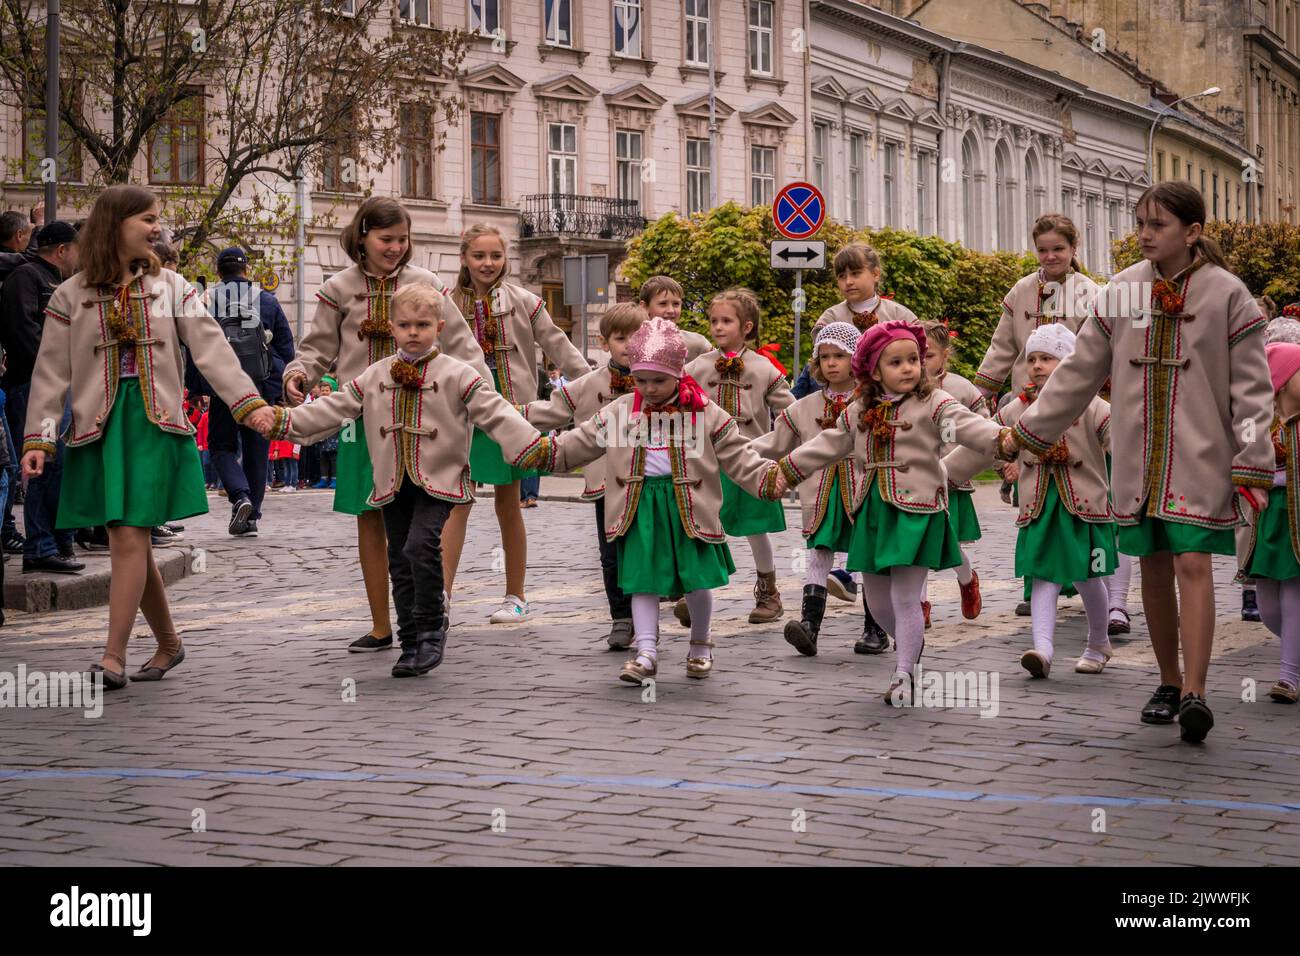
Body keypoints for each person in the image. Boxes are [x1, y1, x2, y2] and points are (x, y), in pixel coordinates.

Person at [1001, 182, 1274, 744]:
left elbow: (1253, 390)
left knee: (1193, 562)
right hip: (1136, 457)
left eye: (1159, 225)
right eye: (1141, 222)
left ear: (1192, 232)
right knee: (1151, 564)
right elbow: (1077, 375)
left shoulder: (1228, 295)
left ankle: (1196, 690)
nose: (1145, 234)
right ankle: (1168, 682)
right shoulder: (1122, 291)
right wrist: (1027, 432)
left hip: (1200, 458)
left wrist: (1252, 462)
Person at [21, 185, 275, 690]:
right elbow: (50, 373)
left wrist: (250, 405)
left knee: (128, 537)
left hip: (153, 424)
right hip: (99, 426)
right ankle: (168, 644)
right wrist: (38, 438)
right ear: (116, 225)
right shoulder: (72, 294)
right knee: (128, 538)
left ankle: (112, 656)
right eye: (148, 219)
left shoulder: (172, 287)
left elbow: (212, 350)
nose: (157, 227)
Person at [269, 283, 544, 676]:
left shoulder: (458, 373)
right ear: (392, 328)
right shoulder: (375, 374)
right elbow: (334, 408)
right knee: (399, 557)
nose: (413, 332)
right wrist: (283, 422)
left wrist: (535, 446)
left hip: (441, 480)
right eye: (404, 325)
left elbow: (496, 413)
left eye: (423, 324)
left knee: (420, 545)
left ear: (440, 327)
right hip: (393, 482)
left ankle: (433, 629)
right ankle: (410, 639)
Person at [281, 197, 489, 653]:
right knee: (369, 518)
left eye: (402, 239)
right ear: (362, 238)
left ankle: (433, 607)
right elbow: (317, 348)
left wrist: (484, 397)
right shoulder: (338, 288)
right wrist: (299, 374)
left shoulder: (427, 284)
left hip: (427, 415)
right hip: (362, 415)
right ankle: (381, 624)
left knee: (426, 513)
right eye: (385, 239)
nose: (395, 248)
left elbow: (461, 344)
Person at [523, 316, 781, 682]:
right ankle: (646, 651)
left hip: (688, 507)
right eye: (641, 380)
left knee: (695, 579)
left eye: (659, 380)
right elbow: (577, 445)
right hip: (638, 506)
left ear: (678, 375)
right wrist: (539, 451)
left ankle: (700, 643)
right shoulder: (621, 410)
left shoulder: (703, 411)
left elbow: (738, 456)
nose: (649, 388)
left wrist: (769, 478)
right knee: (642, 580)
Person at [769, 320, 1005, 706]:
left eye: (914, 359)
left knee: (906, 598)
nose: (910, 367)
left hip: (918, 512)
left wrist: (1004, 439)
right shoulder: (859, 409)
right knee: (879, 603)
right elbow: (827, 443)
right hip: (872, 512)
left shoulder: (935, 403)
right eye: (896, 362)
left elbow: (968, 426)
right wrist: (786, 469)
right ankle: (910, 647)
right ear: (873, 371)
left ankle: (905, 671)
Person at [439, 223, 589, 625]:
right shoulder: (446, 304)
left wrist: (594, 385)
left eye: (496, 256)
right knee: (457, 503)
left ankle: (516, 596)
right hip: (462, 415)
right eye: (479, 256)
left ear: (505, 259)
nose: (488, 264)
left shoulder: (525, 301)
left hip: (514, 415)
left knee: (510, 505)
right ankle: (442, 596)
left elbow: (560, 345)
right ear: (464, 258)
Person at [978, 324, 1117, 677]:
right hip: (1039, 506)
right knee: (1042, 575)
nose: (1037, 365)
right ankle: (1043, 649)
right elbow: (993, 439)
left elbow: (1120, 439)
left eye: (1048, 358)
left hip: (1082, 507)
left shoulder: (1092, 406)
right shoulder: (1017, 410)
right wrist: (1004, 464)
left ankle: (1098, 642)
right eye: (1032, 359)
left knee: (1088, 577)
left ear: (1070, 363)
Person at [519, 302, 646, 649]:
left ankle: (649, 615)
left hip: (652, 485)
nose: (628, 345)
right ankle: (621, 618)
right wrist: (506, 412)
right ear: (605, 343)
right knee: (610, 554)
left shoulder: (661, 381)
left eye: (636, 337)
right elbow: (551, 411)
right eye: (621, 338)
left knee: (646, 548)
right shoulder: (589, 385)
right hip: (605, 484)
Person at [752, 321, 873, 655]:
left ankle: (874, 627)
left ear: (857, 359)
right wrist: (737, 450)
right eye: (824, 356)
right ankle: (810, 626)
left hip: (863, 489)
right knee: (818, 551)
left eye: (840, 355)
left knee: (867, 554)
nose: (831, 363)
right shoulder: (804, 407)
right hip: (820, 491)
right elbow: (776, 442)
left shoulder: (873, 403)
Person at [683, 287, 794, 624]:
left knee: (754, 529)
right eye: (714, 321)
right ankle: (697, 593)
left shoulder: (765, 369)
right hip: (708, 463)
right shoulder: (697, 368)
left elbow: (791, 415)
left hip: (750, 462)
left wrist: (779, 449)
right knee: (703, 526)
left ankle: (769, 592)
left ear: (746, 327)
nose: (717, 327)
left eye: (726, 321)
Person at [187, 247, 295, 537]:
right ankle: (252, 517)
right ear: (246, 271)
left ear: (219, 273)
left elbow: (193, 345)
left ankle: (240, 496)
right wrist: (281, 387)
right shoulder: (267, 300)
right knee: (256, 453)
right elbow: (285, 347)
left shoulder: (207, 300)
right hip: (260, 386)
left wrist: (195, 388)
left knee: (221, 447)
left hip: (222, 386)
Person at [0, 220, 85, 573]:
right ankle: (39, 544)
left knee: (62, 466)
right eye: (76, 248)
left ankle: (60, 538)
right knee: (42, 464)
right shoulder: (29, 277)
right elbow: (24, 331)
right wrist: (55, 371)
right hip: (32, 388)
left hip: (61, 388)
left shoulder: (64, 284)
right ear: (62, 250)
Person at [973, 214, 1101, 397]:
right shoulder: (1021, 290)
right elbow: (1002, 347)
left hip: (1074, 399)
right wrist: (979, 393)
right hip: (1024, 397)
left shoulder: (1092, 294)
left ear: (1073, 249)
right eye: (1042, 250)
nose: (1050, 257)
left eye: (1058, 249)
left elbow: (1097, 352)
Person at [920, 319, 985, 626]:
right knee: (917, 546)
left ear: (945, 355)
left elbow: (985, 428)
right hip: (915, 482)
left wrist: (1000, 462)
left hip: (951, 480)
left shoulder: (962, 388)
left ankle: (967, 578)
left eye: (928, 354)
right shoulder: (902, 387)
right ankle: (919, 606)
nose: (920, 362)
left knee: (951, 543)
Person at [1246, 342, 1300, 703]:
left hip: (1297, 520)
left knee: (1295, 592)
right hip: (1268, 523)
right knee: (1267, 607)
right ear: (1280, 383)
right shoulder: (1261, 427)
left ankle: (1289, 676)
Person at [638, 275, 712, 360]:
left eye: (676, 304)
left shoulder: (696, 344)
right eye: (663, 304)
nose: (671, 310)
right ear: (644, 307)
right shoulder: (632, 344)